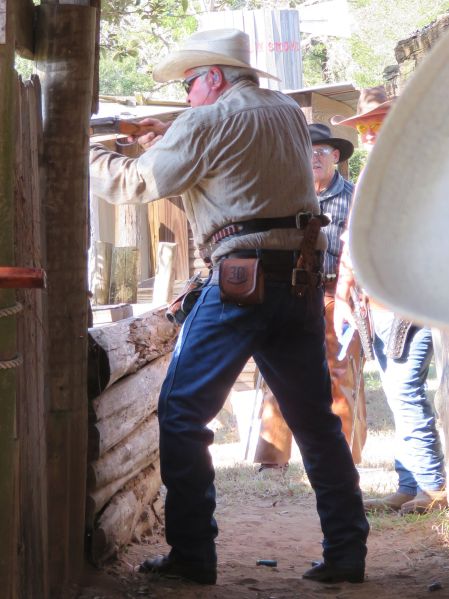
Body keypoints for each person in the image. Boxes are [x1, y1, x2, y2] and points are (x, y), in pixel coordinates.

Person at [90, 28, 369, 585]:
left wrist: (89, 153)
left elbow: (136, 184)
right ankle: (347, 552)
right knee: (316, 422)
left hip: (242, 282)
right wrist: (170, 137)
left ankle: (193, 555)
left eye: (190, 84)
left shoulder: (205, 122)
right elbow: (235, 177)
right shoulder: (285, 112)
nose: (187, 94)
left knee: (181, 412)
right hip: (300, 283)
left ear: (213, 77)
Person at [332, 86, 447, 514]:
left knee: (404, 392)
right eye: (363, 125)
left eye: (376, 124)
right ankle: (410, 482)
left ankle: (432, 487)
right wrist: (343, 292)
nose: (367, 133)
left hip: (406, 300)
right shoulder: (376, 172)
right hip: (375, 302)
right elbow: (353, 239)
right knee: (400, 393)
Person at [254, 124, 367, 469]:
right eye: (307, 152)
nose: (313, 158)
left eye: (321, 151)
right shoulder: (288, 196)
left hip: (337, 294)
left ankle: (344, 460)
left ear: (335, 156)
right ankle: (272, 459)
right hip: (293, 293)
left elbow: (363, 251)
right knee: (278, 371)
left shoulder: (355, 197)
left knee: (339, 375)